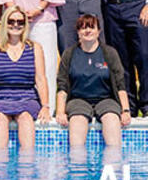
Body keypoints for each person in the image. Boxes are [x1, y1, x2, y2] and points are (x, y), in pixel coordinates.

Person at [0, 5, 51, 149]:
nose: (16, 25)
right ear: (5, 23)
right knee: (0, 118)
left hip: (28, 97)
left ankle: (27, 167)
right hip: (0, 98)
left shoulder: (35, 48)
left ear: (25, 25)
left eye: (20, 22)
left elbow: (41, 79)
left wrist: (45, 106)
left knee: (26, 118)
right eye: (11, 21)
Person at [55, 14, 131, 146]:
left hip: (106, 99)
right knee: (77, 119)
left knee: (112, 118)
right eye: (83, 28)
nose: (87, 31)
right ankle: (77, 164)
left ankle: (113, 162)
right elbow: (62, 86)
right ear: (78, 32)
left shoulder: (109, 53)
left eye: (91, 27)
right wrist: (60, 112)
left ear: (98, 31)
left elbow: (120, 85)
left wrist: (125, 110)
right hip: (78, 100)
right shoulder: (69, 54)